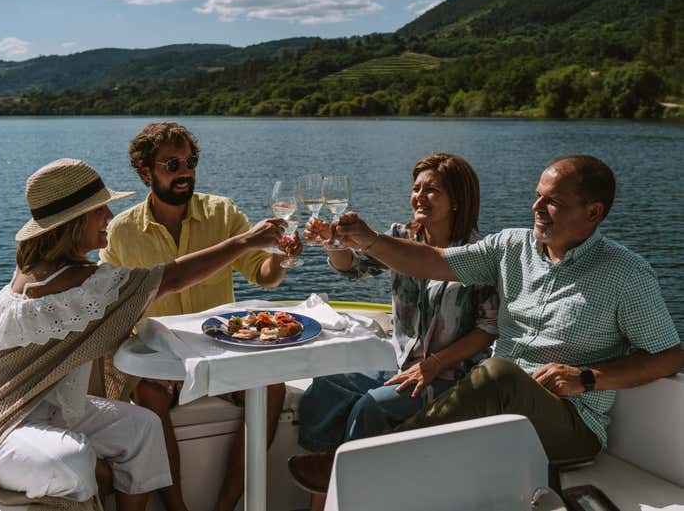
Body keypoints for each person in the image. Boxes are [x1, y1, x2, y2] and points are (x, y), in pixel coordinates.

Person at [288, 154, 684, 494]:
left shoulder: (626, 274)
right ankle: (366, 466)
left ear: (593, 212)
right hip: (493, 409)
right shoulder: (511, 246)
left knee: (498, 372)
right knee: (475, 380)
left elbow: (670, 356)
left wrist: (587, 378)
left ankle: (363, 463)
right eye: (537, 196)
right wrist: (368, 239)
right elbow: (434, 261)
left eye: (553, 202)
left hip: (569, 425)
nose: (536, 208)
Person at [0, 158, 287, 511]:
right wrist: (245, 241)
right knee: (72, 458)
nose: (109, 217)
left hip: (49, 403)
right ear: (74, 222)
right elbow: (172, 278)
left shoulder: (50, 267)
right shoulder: (79, 283)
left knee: (144, 428)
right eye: (100, 210)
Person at [99, 121, 301, 511]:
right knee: (148, 397)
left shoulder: (221, 213)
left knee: (272, 388)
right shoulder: (122, 232)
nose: (185, 172)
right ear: (146, 172)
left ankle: (225, 507)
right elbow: (112, 301)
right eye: (172, 164)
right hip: (161, 356)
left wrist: (283, 260)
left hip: (219, 350)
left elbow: (263, 275)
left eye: (190, 162)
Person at [297, 153, 498, 455]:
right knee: (327, 385)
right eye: (416, 188)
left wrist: (433, 365)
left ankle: (353, 486)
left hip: (453, 377)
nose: (420, 197)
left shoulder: (477, 254)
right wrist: (333, 242)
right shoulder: (400, 238)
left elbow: (489, 327)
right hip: (402, 365)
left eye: (432, 190)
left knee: (371, 407)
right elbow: (353, 267)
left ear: (457, 199)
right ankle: (324, 477)